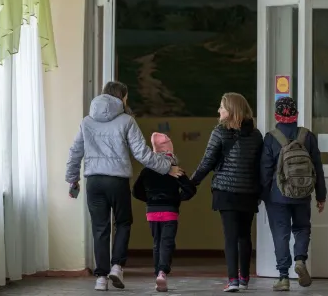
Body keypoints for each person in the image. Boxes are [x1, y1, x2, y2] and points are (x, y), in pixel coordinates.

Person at [65, 81, 184, 291]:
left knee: (100, 228)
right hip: (116, 181)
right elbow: (142, 153)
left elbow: (75, 152)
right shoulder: (126, 120)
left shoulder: (87, 122)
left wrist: (73, 179)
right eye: (126, 97)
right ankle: (117, 266)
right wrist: (167, 167)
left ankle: (101, 278)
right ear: (121, 97)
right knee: (123, 222)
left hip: (94, 181)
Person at [190, 93, 264, 293]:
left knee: (230, 236)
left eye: (222, 107)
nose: (218, 111)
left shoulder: (220, 132)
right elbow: (260, 166)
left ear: (231, 110)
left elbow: (207, 162)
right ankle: (244, 278)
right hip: (248, 192)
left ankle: (232, 280)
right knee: (244, 236)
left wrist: (191, 183)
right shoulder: (256, 135)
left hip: (226, 192)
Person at [260, 97, 327, 291]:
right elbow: (318, 169)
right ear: (296, 114)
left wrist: (263, 195)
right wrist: (321, 196)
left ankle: (283, 277)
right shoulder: (308, 136)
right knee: (302, 228)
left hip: (277, 195)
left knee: (281, 232)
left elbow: (265, 170)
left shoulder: (271, 137)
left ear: (276, 115)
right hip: (302, 193)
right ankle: (300, 260)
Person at [132, 132, 197, 293]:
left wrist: (150, 200)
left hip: (152, 212)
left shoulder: (147, 171)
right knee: (167, 243)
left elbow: (135, 191)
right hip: (170, 211)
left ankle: (157, 274)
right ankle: (163, 272)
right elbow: (190, 189)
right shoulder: (174, 169)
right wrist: (177, 198)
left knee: (157, 243)